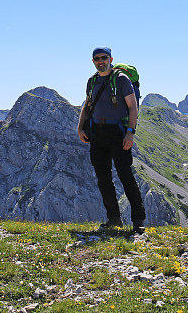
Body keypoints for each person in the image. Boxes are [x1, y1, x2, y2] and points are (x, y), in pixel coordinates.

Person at [77, 47, 146, 234]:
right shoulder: (91, 81)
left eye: (104, 58)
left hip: (118, 132)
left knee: (125, 175)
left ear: (111, 59)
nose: (101, 61)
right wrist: (80, 127)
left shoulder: (121, 79)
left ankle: (138, 220)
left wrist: (130, 132)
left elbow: (132, 107)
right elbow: (87, 104)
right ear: (93, 61)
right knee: (103, 178)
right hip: (97, 132)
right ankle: (114, 219)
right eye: (97, 58)